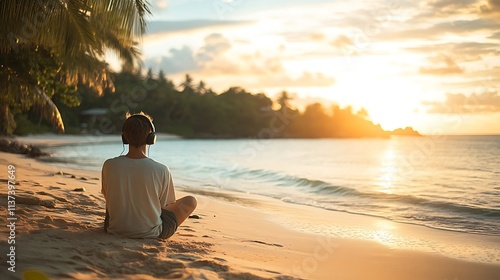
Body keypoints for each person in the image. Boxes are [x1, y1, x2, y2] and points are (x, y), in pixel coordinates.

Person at [101, 112, 197, 239]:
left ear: (124, 137)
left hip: (114, 229)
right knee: (191, 201)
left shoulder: (109, 165)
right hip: (151, 234)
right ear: (151, 138)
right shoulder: (161, 170)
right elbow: (164, 206)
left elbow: (107, 196)